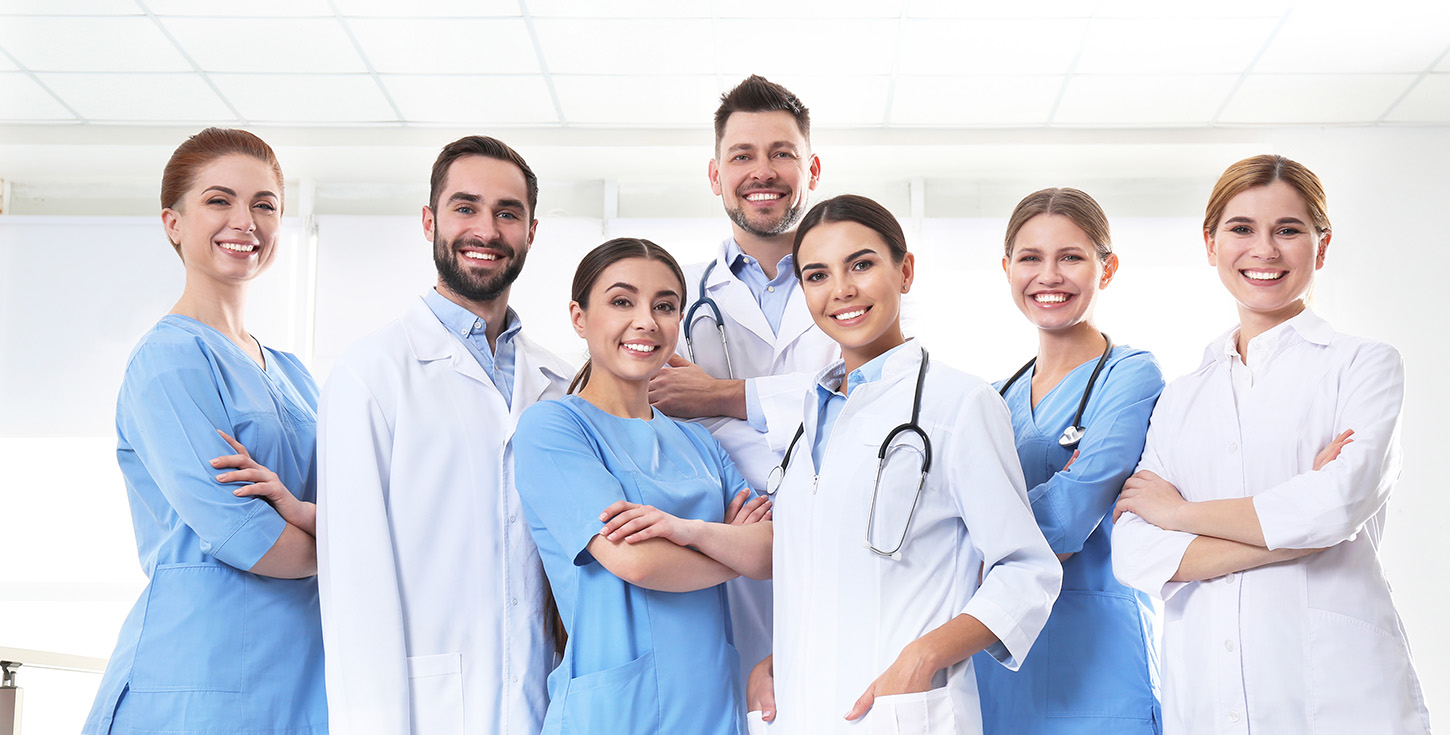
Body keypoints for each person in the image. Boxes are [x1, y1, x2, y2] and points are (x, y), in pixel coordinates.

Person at [1111, 154, 1432, 734]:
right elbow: (1135, 553)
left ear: (1322, 246)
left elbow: (1335, 505)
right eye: (1242, 229)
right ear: (1210, 244)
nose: (1264, 250)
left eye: (1288, 230)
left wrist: (1182, 515)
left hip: (1340, 697)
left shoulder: (1364, 366)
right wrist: (1298, 531)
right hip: (1207, 698)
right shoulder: (1181, 397)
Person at [752, 194, 1061, 734]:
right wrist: (779, 657)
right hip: (802, 711)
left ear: (905, 270)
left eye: (862, 264)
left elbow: (1027, 570)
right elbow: (823, 567)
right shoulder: (809, 420)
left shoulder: (958, 405)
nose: (842, 290)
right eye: (818, 275)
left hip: (898, 714)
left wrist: (925, 655)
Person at [316, 136, 574, 734]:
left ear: (531, 231)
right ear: (430, 221)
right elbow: (355, 582)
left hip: (547, 707)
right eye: (466, 208)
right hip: (428, 711)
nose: (486, 229)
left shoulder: (560, 381)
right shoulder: (371, 374)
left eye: (507, 213)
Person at [83, 128, 327, 734]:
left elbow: (352, 502)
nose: (245, 221)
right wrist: (352, 547)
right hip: (200, 675)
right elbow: (257, 539)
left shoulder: (293, 374)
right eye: (220, 200)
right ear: (173, 222)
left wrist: (309, 516)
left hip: (299, 675)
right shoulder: (169, 363)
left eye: (264, 204)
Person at [512, 237, 773, 735]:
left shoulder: (699, 440)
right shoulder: (553, 428)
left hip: (712, 707)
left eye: (665, 306)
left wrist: (684, 532)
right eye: (621, 301)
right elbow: (637, 561)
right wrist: (729, 543)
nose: (646, 321)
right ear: (579, 317)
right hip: (613, 715)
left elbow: (768, 554)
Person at [649, 73, 839, 689]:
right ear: (715, 175)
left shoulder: (860, 286)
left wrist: (723, 396)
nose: (764, 171)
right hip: (724, 557)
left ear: (811, 168)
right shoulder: (671, 298)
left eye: (782, 153)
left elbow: (879, 407)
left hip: (841, 550)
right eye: (743, 156)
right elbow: (650, 416)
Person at [972, 188, 1164, 734]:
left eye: (1071, 257)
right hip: (999, 658)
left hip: (1098, 656)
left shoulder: (1130, 375)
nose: (1048, 276)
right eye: (1030, 258)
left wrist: (987, 529)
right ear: (1008, 268)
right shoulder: (991, 398)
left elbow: (1070, 515)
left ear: (1108, 268)